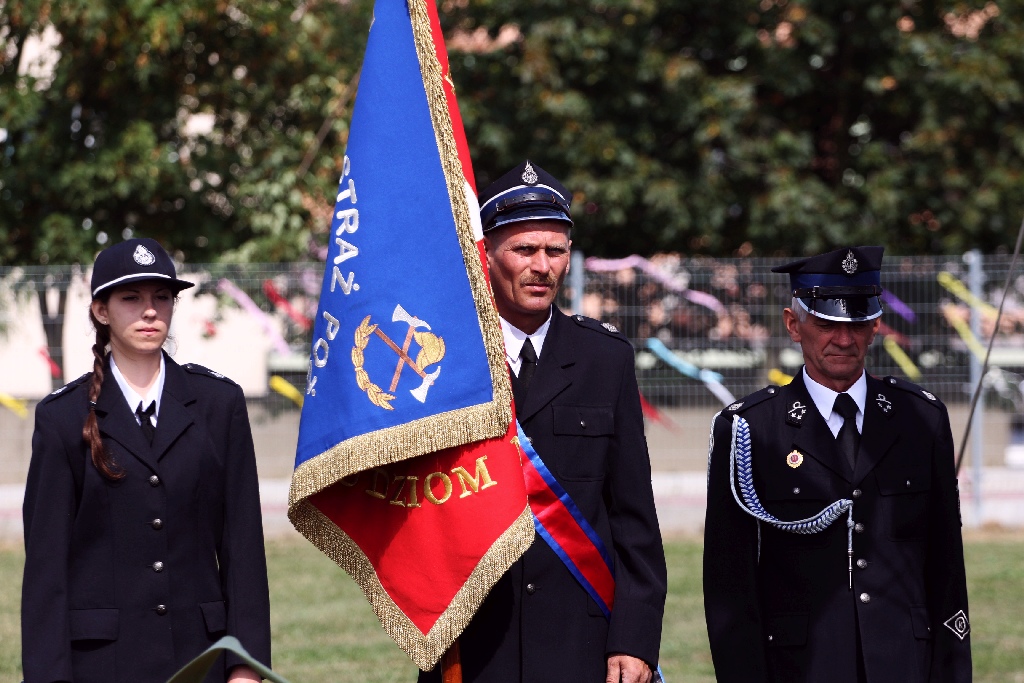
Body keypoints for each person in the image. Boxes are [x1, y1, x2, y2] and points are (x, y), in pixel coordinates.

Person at [419, 161, 667, 683]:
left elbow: (633, 518)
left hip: (581, 638)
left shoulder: (606, 360)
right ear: (487, 254)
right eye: (524, 249)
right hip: (471, 642)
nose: (542, 266)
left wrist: (634, 639)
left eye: (555, 251)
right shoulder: (441, 363)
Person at [703, 246, 971, 683]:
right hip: (799, 668)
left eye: (858, 324)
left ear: (875, 327)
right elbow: (729, 585)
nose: (844, 340)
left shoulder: (921, 418)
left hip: (903, 663)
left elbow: (946, 567)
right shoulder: (751, 429)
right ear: (794, 325)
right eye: (826, 324)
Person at [22, 238, 271, 683]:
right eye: (131, 298)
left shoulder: (219, 405)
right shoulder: (62, 418)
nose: (150, 311)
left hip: (202, 659)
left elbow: (243, 548)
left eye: (162, 297)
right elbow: (46, 571)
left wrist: (246, 668)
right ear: (101, 311)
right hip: (101, 666)